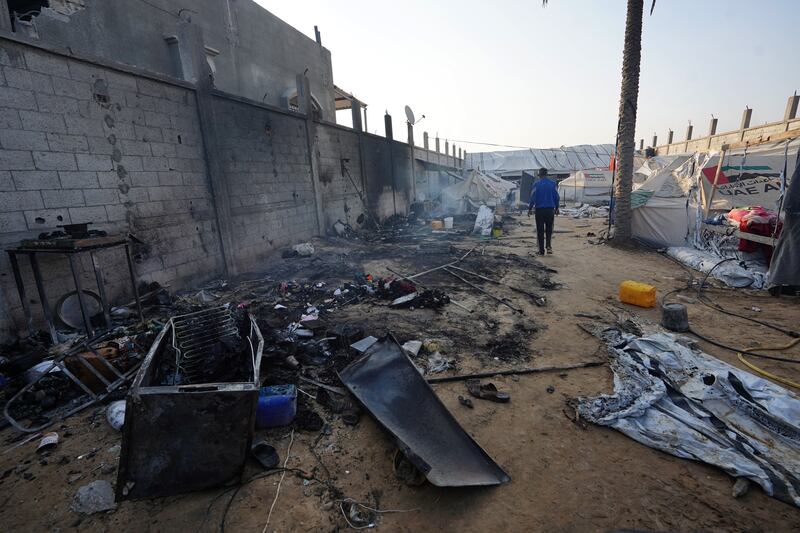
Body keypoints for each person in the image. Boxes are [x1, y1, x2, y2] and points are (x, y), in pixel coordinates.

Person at [527, 167, 560, 255]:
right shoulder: (553, 184)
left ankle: (541, 251)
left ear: (539, 175)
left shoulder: (536, 184)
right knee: (549, 229)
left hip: (539, 211)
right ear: (546, 174)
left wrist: (530, 208)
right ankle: (548, 247)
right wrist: (557, 208)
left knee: (540, 230)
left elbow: (533, 197)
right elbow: (556, 197)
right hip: (550, 210)